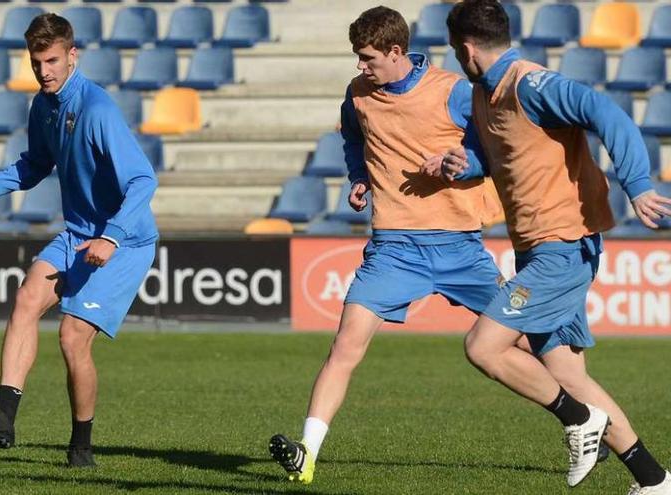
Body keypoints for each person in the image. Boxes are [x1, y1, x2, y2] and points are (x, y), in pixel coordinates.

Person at [268, 6, 505, 485]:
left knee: (526, 340)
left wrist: (467, 165)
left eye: (367, 57)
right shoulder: (357, 95)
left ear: (396, 51)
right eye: (358, 57)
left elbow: (497, 147)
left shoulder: (454, 92)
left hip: (459, 245)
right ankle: (306, 455)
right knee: (345, 346)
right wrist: (359, 178)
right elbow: (353, 141)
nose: (360, 67)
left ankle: (587, 423)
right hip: (393, 247)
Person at [442, 1, 671, 492]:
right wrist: (465, 165)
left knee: (484, 347)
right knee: (568, 373)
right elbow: (499, 152)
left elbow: (606, 111)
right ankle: (654, 480)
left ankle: (577, 420)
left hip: (562, 247)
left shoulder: (530, 83)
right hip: (536, 247)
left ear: (465, 48)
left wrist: (639, 184)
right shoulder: (485, 92)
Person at [0, 13, 158, 468]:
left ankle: (81, 447)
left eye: (53, 60)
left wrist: (113, 237)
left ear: (72, 55)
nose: (44, 70)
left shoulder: (97, 109)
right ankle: (4, 415)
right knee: (26, 298)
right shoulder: (42, 106)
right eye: (37, 61)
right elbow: (33, 165)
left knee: (72, 337)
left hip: (126, 241)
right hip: (79, 233)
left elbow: (143, 179)